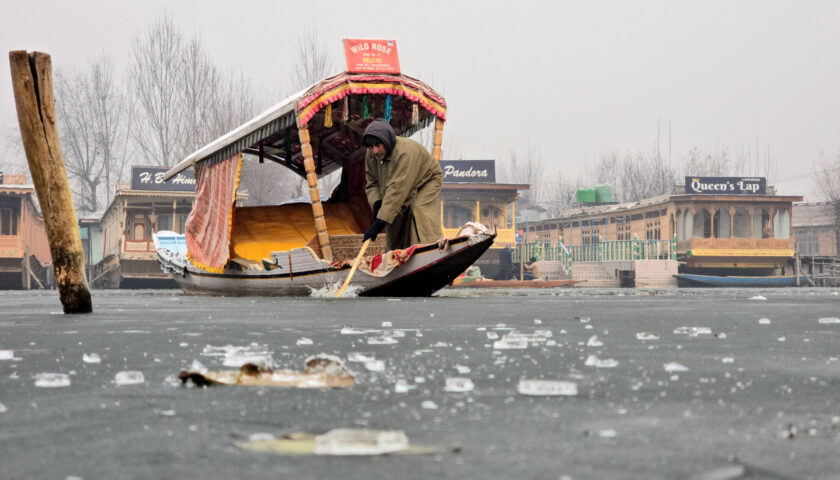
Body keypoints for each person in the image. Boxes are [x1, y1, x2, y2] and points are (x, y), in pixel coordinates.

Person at [362, 118, 443, 250]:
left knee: (417, 209)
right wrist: (377, 205)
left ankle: (429, 247)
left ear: (387, 141)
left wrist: (378, 224)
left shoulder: (404, 153)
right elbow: (372, 182)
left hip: (427, 180)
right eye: (371, 147)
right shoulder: (370, 155)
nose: (375, 151)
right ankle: (396, 255)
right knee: (394, 218)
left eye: (378, 145)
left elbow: (396, 191)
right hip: (403, 186)